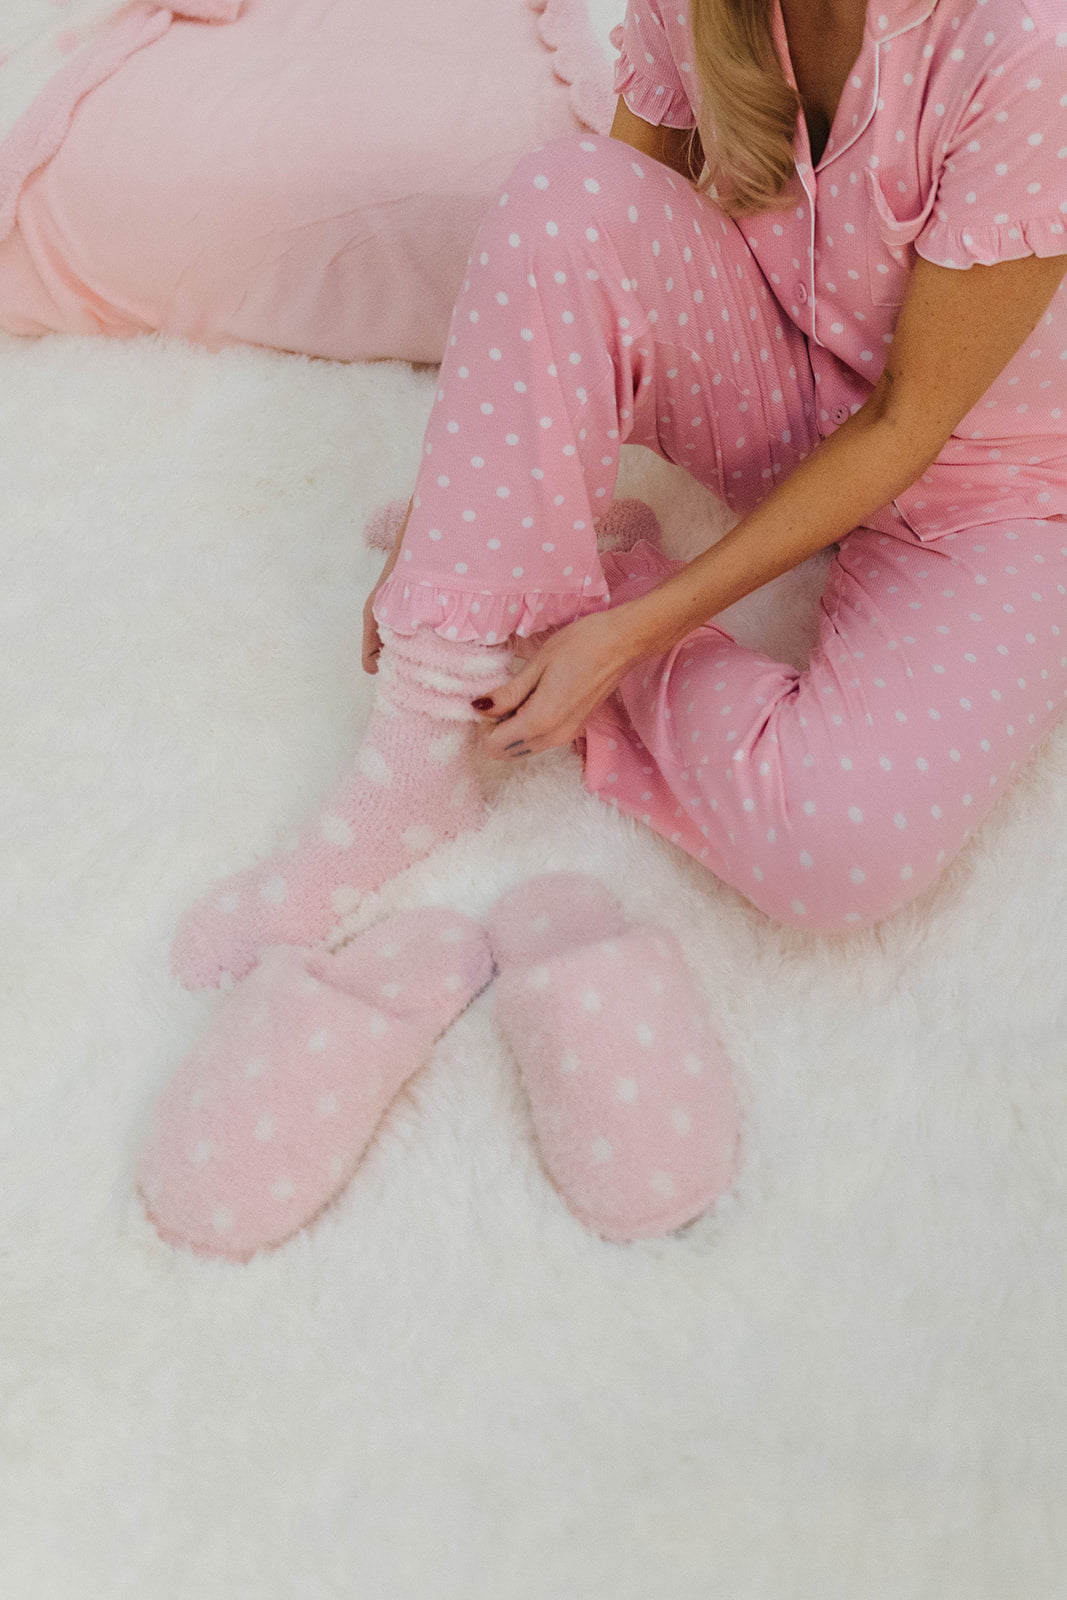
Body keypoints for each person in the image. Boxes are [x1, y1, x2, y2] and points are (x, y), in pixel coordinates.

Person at [171, 0, 1067, 990]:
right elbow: (607, 214)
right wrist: (448, 508)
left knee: (841, 844)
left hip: (994, 486)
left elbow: (907, 420)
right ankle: (419, 755)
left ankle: (573, 581)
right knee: (566, 194)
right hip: (788, 376)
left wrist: (633, 625)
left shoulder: (1026, 45)